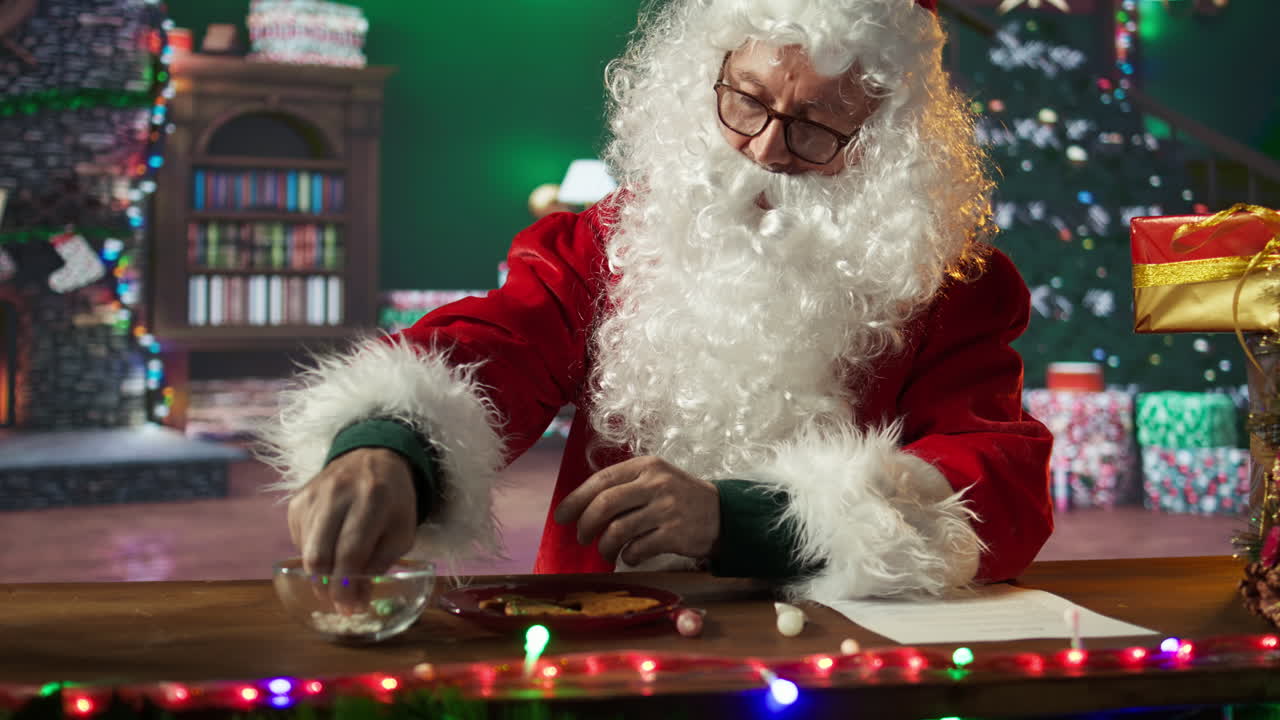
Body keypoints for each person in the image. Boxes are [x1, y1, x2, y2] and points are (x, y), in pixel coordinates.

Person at [261, 0, 1054, 604]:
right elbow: (494, 347)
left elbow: (1000, 486)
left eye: (816, 125)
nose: (767, 148)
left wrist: (748, 520)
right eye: (746, 100)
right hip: (602, 636)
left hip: (833, 655)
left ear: (880, 143)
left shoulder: (955, 290)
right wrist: (389, 441)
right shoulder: (602, 243)